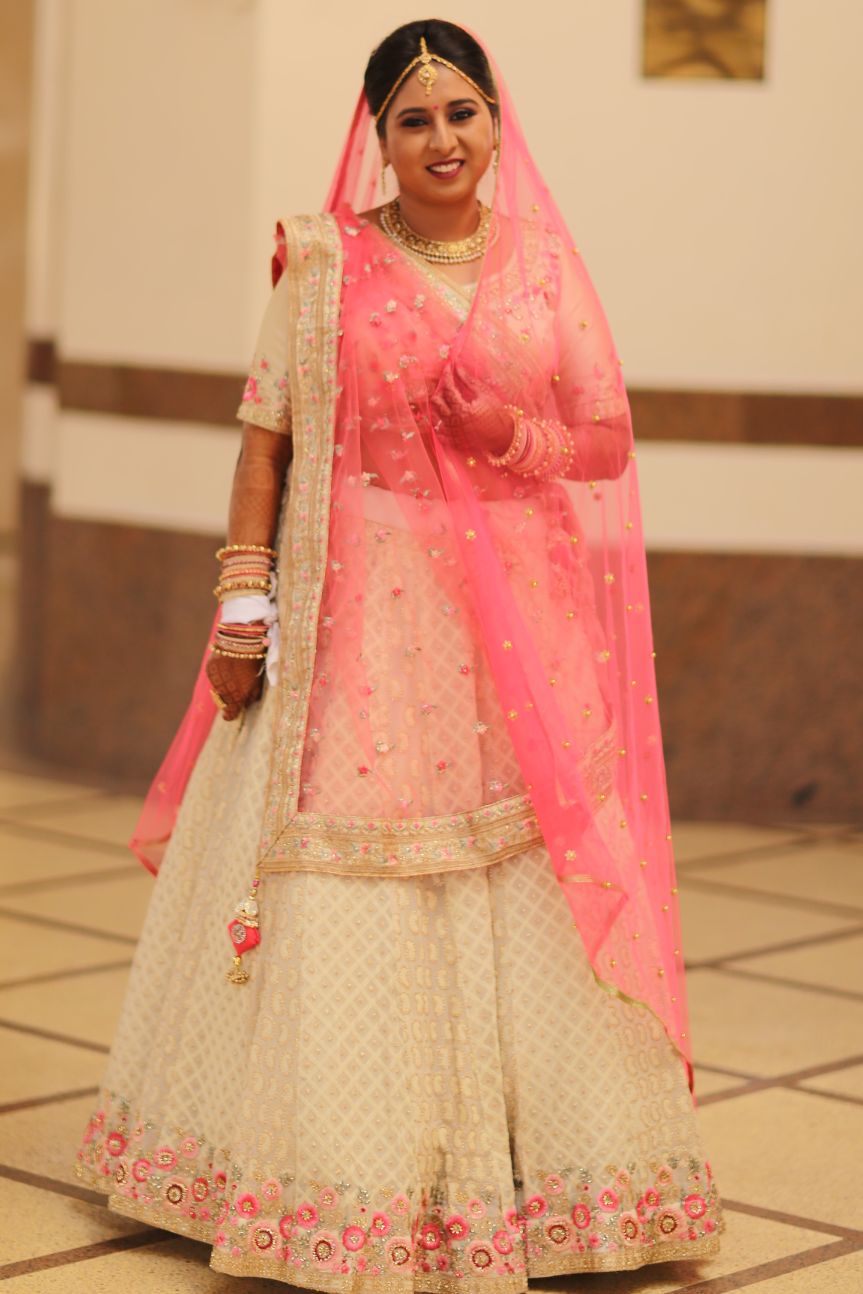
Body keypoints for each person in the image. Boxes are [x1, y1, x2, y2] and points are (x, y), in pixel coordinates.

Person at [73, 19, 723, 1288]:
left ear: (496, 124)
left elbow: (604, 440)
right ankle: (335, 1180)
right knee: (350, 858)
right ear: (378, 136)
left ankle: (555, 1176)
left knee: (524, 864)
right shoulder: (320, 264)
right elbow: (265, 438)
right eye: (414, 119)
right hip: (356, 614)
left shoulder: (542, 266)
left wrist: (510, 437)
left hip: (516, 628)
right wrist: (244, 604)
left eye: (461, 113)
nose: (441, 140)